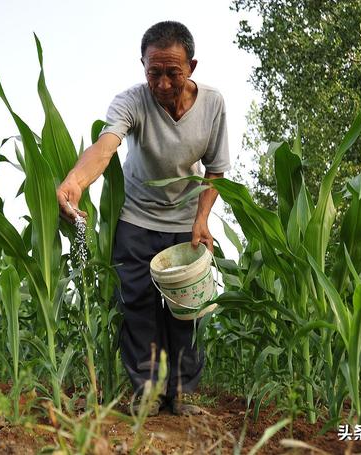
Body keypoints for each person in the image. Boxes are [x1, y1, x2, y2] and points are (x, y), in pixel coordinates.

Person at [56, 20, 230, 416]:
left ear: (192, 67)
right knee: (138, 305)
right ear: (142, 66)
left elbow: (216, 169)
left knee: (186, 308)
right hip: (136, 219)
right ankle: (147, 395)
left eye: (174, 72)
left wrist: (202, 217)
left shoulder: (213, 105)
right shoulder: (131, 101)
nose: (164, 83)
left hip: (187, 224)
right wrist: (75, 182)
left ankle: (181, 394)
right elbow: (105, 146)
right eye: (154, 72)